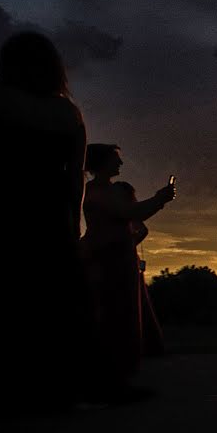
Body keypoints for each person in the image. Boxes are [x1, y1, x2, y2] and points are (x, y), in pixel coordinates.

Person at [0, 31, 90, 411]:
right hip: (47, 216)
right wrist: (72, 222)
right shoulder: (69, 113)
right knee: (48, 304)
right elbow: (74, 176)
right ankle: (51, 387)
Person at [81, 144, 175, 397]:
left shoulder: (98, 191)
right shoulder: (100, 192)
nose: (120, 164)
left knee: (119, 315)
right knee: (115, 316)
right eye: (116, 159)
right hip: (109, 259)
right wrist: (160, 198)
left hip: (115, 257)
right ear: (103, 163)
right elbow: (130, 213)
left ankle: (114, 379)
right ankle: (109, 382)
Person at [114, 181, 166, 357]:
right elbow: (143, 230)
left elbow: (143, 230)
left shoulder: (124, 213)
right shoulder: (127, 213)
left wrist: (129, 242)